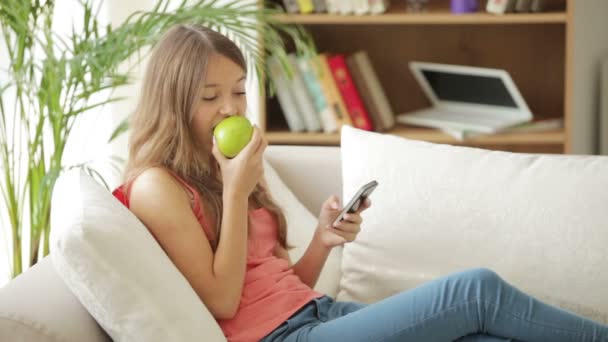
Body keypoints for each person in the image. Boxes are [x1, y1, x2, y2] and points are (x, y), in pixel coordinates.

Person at [112, 24, 608, 342]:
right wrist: (238, 190)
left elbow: (278, 287)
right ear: (173, 101)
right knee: (475, 292)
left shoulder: (222, 166)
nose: (231, 109)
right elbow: (223, 302)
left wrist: (323, 241)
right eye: (209, 97)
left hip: (320, 316)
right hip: (282, 340)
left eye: (239, 93)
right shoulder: (158, 186)